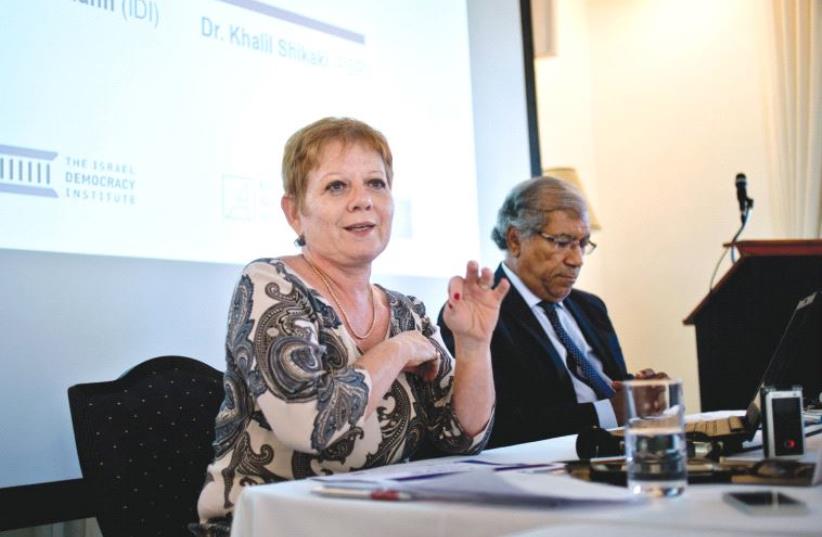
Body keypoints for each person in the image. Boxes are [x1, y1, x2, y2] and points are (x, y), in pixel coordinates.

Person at [193, 117, 509, 536]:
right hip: (271, 527)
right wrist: (397, 351)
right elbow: (311, 425)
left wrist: (473, 345)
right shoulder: (270, 284)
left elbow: (462, 437)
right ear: (294, 213)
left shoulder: (405, 311)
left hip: (381, 522)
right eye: (336, 186)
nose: (363, 201)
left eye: (376, 184)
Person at [439, 176, 661, 448]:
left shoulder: (591, 308)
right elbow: (497, 426)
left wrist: (638, 392)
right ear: (515, 239)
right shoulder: (476, 316)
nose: (576, 259)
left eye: (582, 243)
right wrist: (610, 412)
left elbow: (610, 391)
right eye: (562, 242)